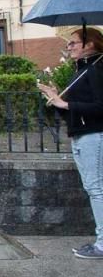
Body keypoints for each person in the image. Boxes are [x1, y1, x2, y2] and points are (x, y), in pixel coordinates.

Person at [39, 28, 103, 259]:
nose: (70, 47)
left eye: (74, 43)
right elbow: (76, 105)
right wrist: (58, 98)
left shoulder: (95, 71)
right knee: (93, 188)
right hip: (81, 134)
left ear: (90, 44)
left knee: (97, 189)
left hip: (94, 135)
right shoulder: (83, 70)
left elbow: (99, 107)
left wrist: (65, 105)